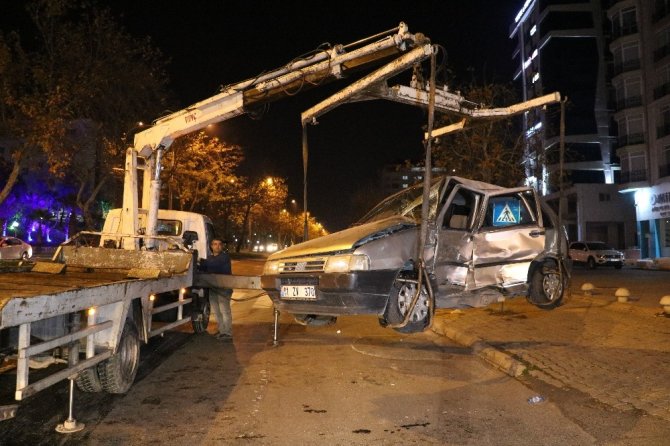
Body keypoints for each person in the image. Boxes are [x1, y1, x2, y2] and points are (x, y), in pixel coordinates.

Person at [200, 238, 233, 341]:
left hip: (224, 288)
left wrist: (201, 261)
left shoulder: (224, 257)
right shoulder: (210, 258)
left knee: (224, 311)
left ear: (222, 246)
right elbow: (203, 268)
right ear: (211, 246)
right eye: (215, 244)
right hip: (213, 287)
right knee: (217, 312)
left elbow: (211, 265)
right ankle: (221, 330)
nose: (217, 246)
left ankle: (227, 333)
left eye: (219, 244)